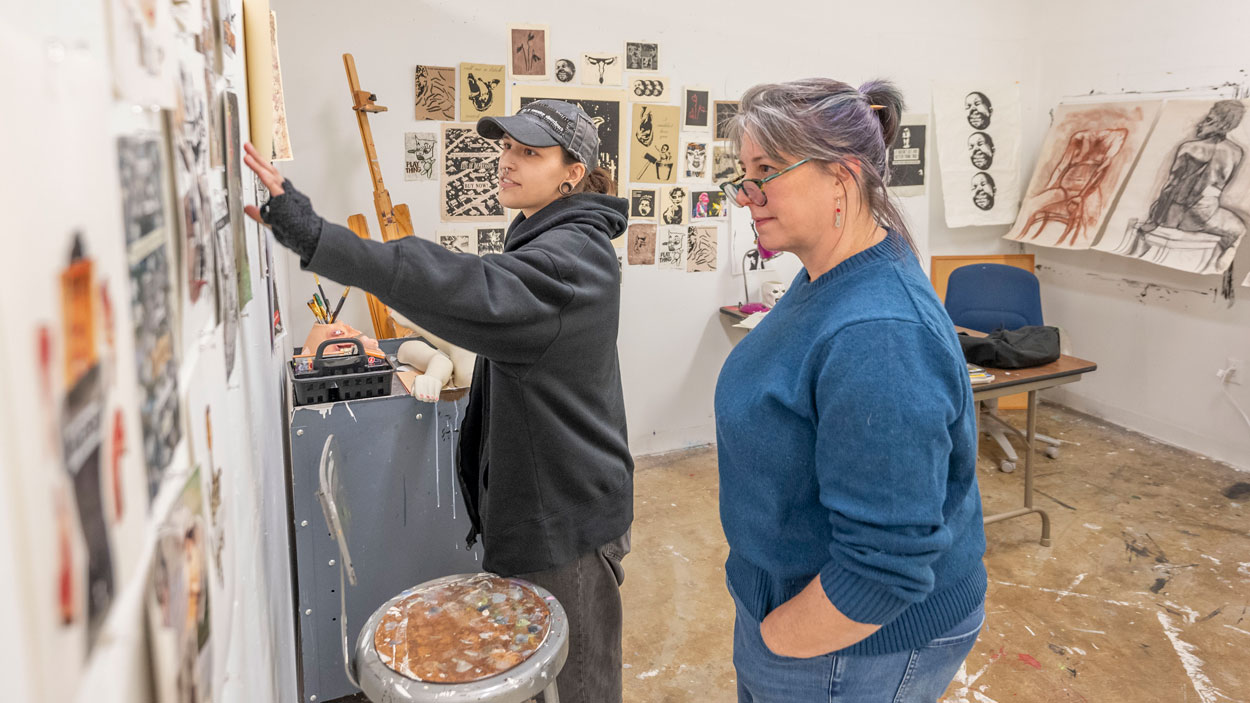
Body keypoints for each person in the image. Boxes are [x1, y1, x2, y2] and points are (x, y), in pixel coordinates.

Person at [243, 99, 633, 703]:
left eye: (529, 152)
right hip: (545, 512)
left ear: (572, 173)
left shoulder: (574, 260)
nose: (507, 162)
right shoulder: (547, 236)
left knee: (577, 687)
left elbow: (465, 288)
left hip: (568, 526)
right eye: (506, 147)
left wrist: (323, 240)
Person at [714, 78, 986, 702]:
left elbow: (883, 568)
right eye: (744, 173)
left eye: (767, 171)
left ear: (842, 176)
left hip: (854, 644)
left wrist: (781, 636)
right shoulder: (826, 278)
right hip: (799, 613)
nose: (745, 195)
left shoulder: (879, 335)